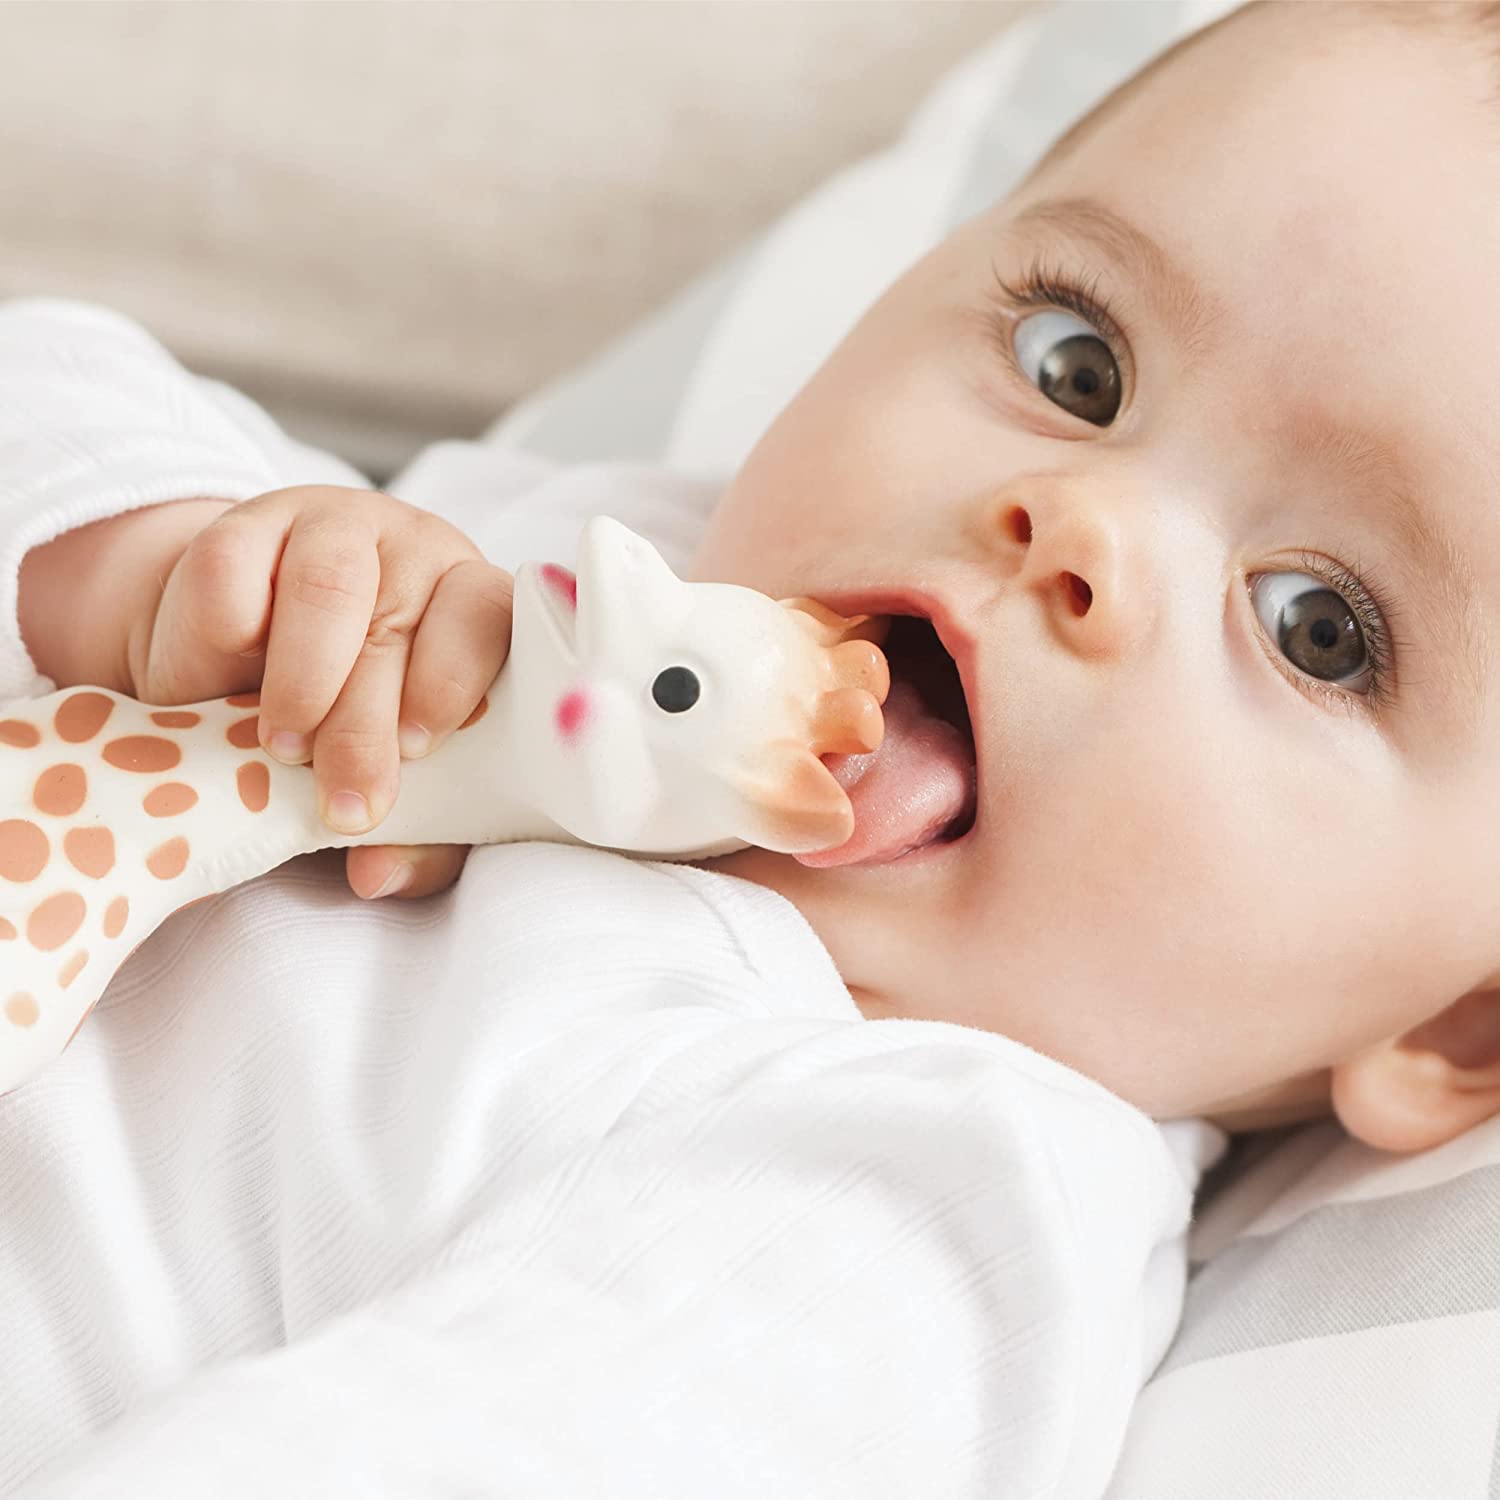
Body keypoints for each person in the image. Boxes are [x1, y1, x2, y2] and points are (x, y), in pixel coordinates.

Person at [4, 0, 1497, 1492]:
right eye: (1077, 365)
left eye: (1320, 631)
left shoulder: (918, 1204)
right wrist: (157, 549)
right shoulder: (572, 568)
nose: (1078, 523)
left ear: (1456, 1030)